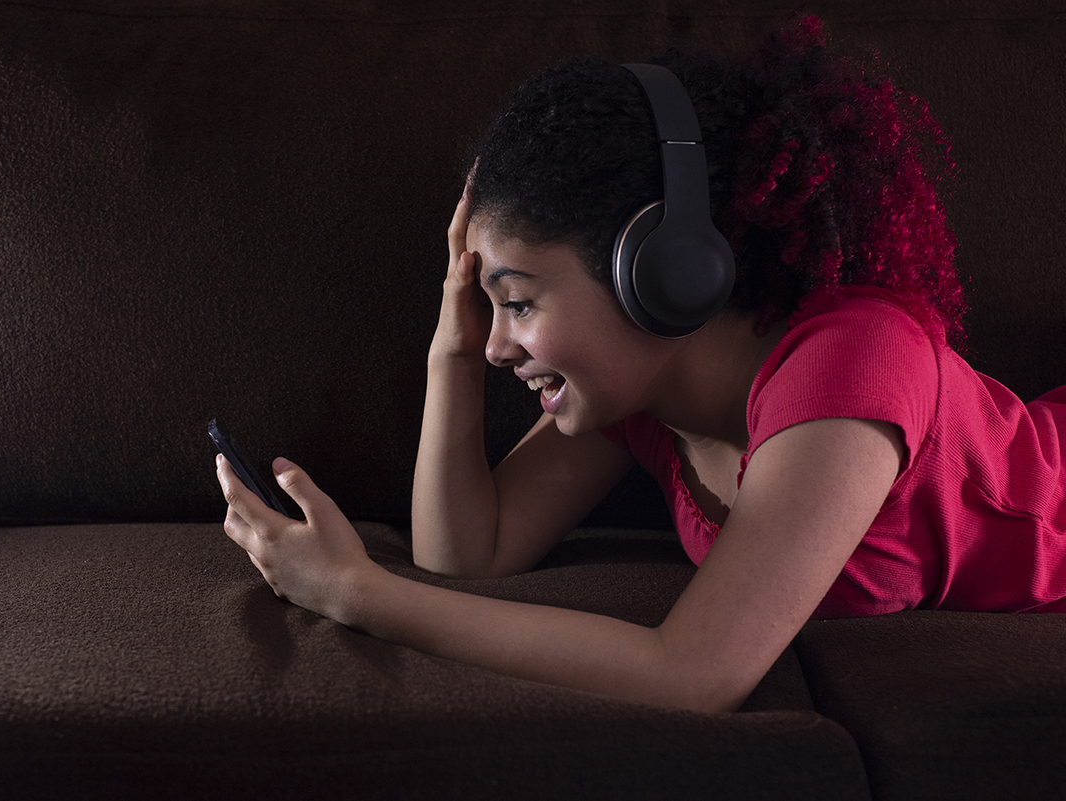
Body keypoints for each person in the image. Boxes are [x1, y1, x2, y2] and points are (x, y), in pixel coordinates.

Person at [216, 15, 1066, 713]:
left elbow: (695, 673)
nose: (498, 341)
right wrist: (454, 334)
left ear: (664, 271)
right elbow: (464, 555)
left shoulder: (854, 364)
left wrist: (355, 593)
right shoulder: (640, 398)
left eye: (517, 302)